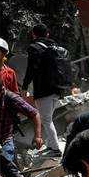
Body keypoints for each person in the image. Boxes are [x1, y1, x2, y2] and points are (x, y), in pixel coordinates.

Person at [21, 24, 65, 157]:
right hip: (57, 88)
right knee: (48, 118)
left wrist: (24, 87)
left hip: (43, 89)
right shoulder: (55, 46)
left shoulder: (34, 48)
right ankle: (51, 145)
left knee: (46, 120)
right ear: (47, 34)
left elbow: (31, 69)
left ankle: (56, 150)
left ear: (34, 34)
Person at [0, 79, 42, 165]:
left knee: (6, 165)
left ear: (1, 90)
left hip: (5, 139)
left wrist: (37, 136)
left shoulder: (10, 97)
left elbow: (35, 114)